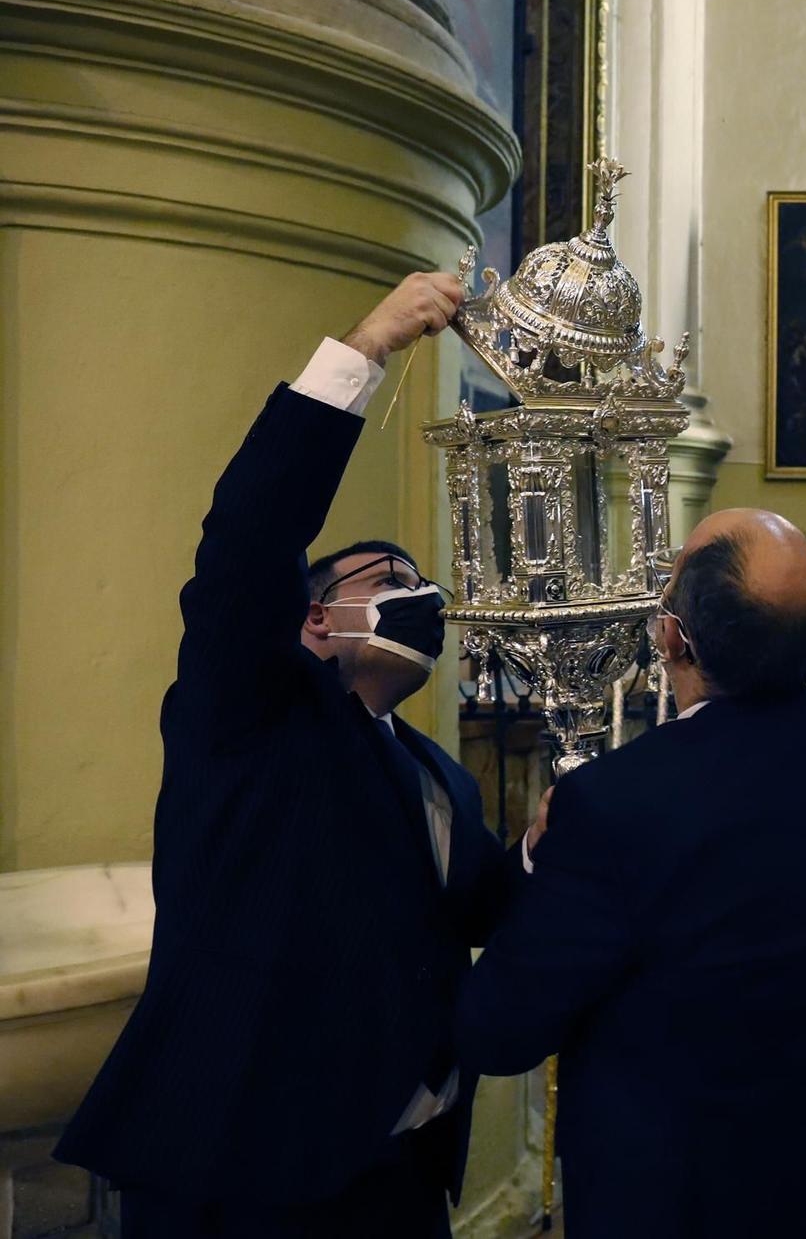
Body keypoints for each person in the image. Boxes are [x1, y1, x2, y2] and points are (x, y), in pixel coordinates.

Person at [57, 274, 525, 1238]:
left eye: (422, 576)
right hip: (251, 1174)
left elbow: (469, 910)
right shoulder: (248, 716)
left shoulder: (437, 774)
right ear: (314, 617)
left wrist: (541, 853)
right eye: (388, 578)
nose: (418, 591)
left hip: (396, 1169)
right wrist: (368, 347)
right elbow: (247, 540)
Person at [455, 509, 806, 1239]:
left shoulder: (613, 804)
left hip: (700, 1198)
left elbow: (499, 1031)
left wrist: (538, 851)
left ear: (671, 637)